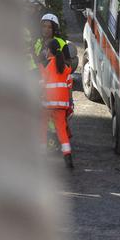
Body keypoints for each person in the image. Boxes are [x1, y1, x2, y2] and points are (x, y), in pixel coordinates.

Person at [38, 26, 76, 168]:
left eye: (46, 49)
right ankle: (67, 155)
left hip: (48, 104)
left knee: (41, 127)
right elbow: (69, 84)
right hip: (62, 105)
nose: (45, 51)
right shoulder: (65, 68)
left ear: (49, 51)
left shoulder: (48, 66)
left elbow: (42, 84)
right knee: (61, 130)